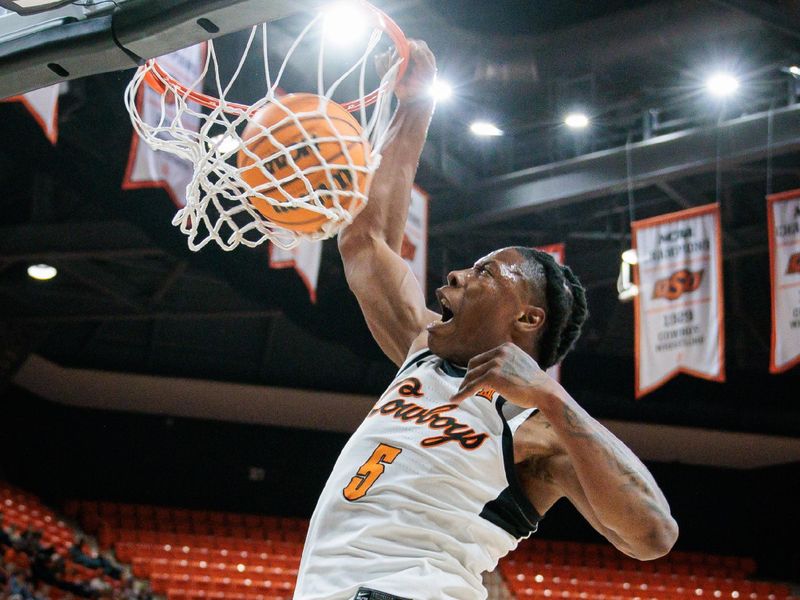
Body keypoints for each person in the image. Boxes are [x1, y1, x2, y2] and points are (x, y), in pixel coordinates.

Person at [293, 41, 678, 600]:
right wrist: (416, 104)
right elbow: (365, 239)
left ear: (527, 316)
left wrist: (552, 398)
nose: (453, 276)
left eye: (484, 272)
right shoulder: (420, 353)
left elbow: (653, 535)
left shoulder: (533, 424)